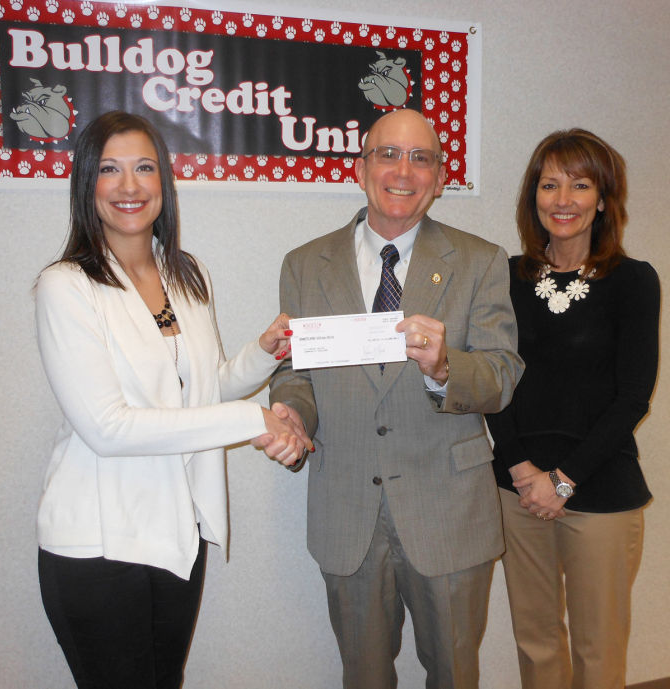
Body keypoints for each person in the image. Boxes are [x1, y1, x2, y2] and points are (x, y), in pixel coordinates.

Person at [34, 110, 310, 689]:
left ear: (165, 182)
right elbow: (109, 428)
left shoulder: (186, 274)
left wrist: (263, 354)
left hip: (175, 532)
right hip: (98, 544)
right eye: (110, 169)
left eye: (144, 168)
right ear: (87, 184)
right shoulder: (67, 285)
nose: (129, 186)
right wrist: (252, 419)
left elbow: (199, 389)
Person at [263, 109, 524, 689]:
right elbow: (295, 371)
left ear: (437, 177)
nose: (403, 171)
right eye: (388, 154)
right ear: (361, 168)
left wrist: (446, 366)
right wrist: (291, 414)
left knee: (455, 674)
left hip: (449, 510)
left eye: (421, 158)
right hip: (346, 506)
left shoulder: (480, 261)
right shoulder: (305, 264)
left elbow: (503, 375)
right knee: (363, 676)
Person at [485, 129, 660, 689]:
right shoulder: (505, 277)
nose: (562, 199)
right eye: (550, 183)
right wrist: (522, 471)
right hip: (516, 489)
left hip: (600, 489)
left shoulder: (633, 281)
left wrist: (564, 480)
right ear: (533, 195)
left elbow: (632, 396)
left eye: (580, 185)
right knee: (535, 643)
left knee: (597, 649)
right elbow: (492, 380)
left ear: (604, 198)